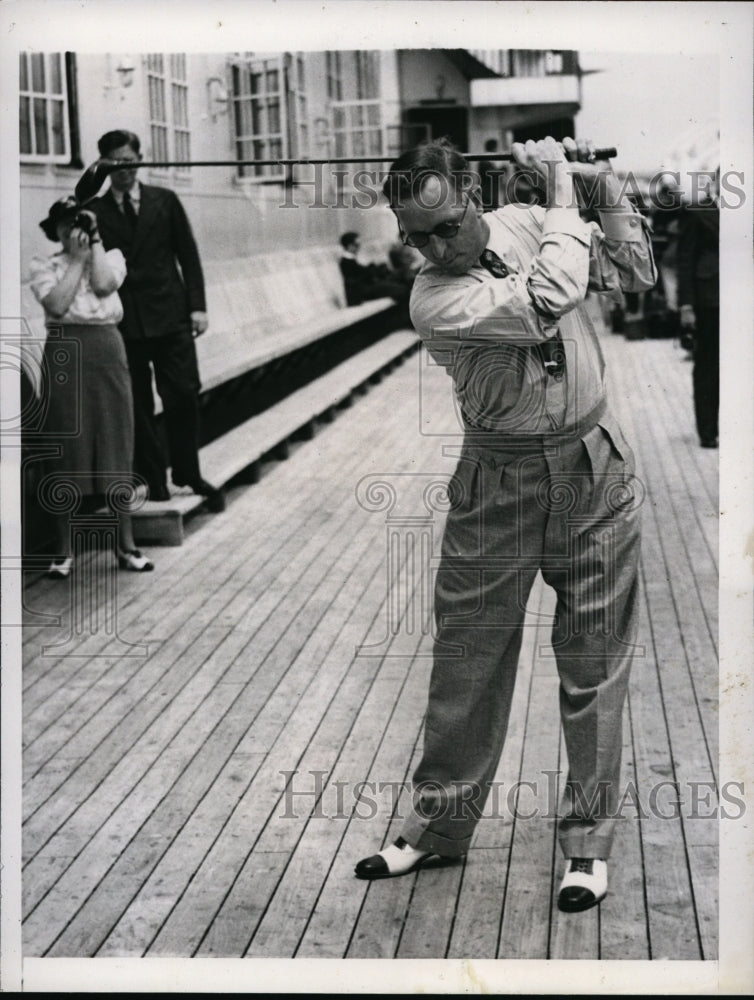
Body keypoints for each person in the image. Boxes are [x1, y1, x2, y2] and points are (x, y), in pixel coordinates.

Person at [354, 137, 656, 914]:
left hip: (594, 469)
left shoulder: (531, 220)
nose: (431, 248)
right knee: (468, 658)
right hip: (498, 480)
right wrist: (561, 190)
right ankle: (436, 829)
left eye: (445, 226)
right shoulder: (433, 299)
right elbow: (549, 298)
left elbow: (633, 271)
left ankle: (587, 845)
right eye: (415, 236)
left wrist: (598, 184)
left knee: (593, 661)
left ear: (471, 199)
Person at [91, 129, 224, 510]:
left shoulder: (164, 201)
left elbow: (188, 254)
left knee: (183, 394)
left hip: (172, 317)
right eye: (115, 163)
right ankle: (153, 479)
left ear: (141, 159)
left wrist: (198, 306)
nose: (124, 170)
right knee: (138, 403)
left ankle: (186, 471)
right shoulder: (95, 212)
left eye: (130, 161)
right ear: (103, 164)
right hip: (124, 323)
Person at [29, 196, 154, 577]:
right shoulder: (44, 265)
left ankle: (126, 545)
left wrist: (93, 247)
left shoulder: (111, 256)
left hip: (106, 348)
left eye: (79, 223)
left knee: (117, 442)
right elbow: (56, 302)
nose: (73, 231)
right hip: (66, 350)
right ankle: (64, 551)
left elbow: (104, 286)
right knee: (67, 446)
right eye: (65, 225)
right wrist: (77, 260)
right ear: (55, 230)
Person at [677, 170, 719, 448]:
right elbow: (685, 259)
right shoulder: (696, 211)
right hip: (708, 301)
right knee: (708, 365)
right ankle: (708, 430)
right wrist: (686, 305)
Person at [338, 232, 412, 307]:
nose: (359, 247)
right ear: (350, 246)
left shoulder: (349, 260)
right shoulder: (345, 262)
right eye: (357, 244)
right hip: (362, 293)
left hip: (368, 288)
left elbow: (359, 272)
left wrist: (372, 269)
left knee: (401, 285)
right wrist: (370, 272)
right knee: (401, 289)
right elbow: (356, 280)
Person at [476, 137, 505, 211]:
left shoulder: (488, 160)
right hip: (488, 193)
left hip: (492, 192)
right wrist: (502, 169)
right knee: (489, 210)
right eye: (496, 147)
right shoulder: (485, 160)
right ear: (493, 148)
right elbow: (492, 173)